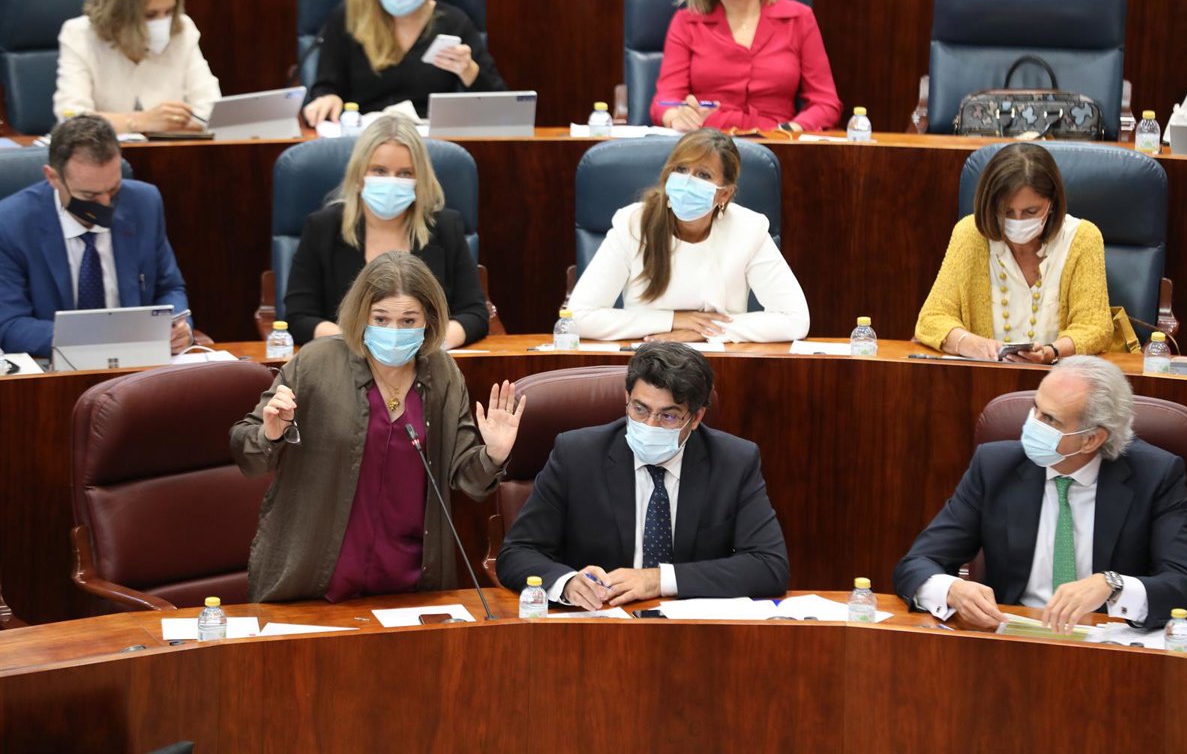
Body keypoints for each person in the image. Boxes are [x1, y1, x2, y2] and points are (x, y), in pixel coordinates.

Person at [231, 251, 524, 603]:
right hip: (313, 578)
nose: (394, 332)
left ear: (429, 321)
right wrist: (271, 434)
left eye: (408, 320)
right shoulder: (315, 363)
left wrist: (493, 454)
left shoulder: (442, 373)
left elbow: (468, 479)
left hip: (410, 580)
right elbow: (247, 455)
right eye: (381, 319)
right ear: (362, 316)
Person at [894, 356, 1187, 632]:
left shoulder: (1155, 475)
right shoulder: (995, 466)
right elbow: (918, 562)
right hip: (1013, 638)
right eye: (1035, 408)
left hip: (1109, 647)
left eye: (1049, 419)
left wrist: (1114, 586)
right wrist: (952, 590)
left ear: (1091, 439)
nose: (1032, 424)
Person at [497, 342, 789, 608]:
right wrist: (568, 582)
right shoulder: (576, 455)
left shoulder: (734, 461)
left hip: (691, 627)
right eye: (640, 409)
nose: (650, 425)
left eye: (668, 416)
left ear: (696, 417)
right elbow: (517, 552)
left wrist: (658, 580)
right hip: (600, 620)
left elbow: (770, 566)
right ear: (627, 398)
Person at [567, 128, 809, 342]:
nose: (687, 182)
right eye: (681, 169)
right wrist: (673, 321)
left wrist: (707, 332)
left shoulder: (748, 228)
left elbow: (795, 319)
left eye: (703, 175)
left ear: (724, 194)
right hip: (647, 357)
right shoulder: (633, 222)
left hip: (719, 361)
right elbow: (578, 316)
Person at [284, 114, 488, 347]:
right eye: (379, 171)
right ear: (359, 175)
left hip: (426, 360)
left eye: (405, 173)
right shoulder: (323, 228)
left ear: (419, 179)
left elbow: (474, 314)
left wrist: (423, 345)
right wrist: (360, 344)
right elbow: (299, 317)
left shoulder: (446, 226)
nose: (392, 181)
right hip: (346, 358)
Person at [0, 115, 192, 358]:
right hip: (56, 365)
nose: (105, 204)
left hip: (140, 363)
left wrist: (178, 327)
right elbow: (10, 325)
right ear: (53, 178)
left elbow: (169, 287)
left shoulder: (144, 203)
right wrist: (105, 338)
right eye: (90, 196)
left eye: (113, 190)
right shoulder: (11, 223)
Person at [915, 142, 1112, 363]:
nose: (1018, 221)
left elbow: (1096, 328)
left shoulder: (1083, 238)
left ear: (1052, 203)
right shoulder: (970, 234)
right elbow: (931, 319)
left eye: (1030, 211)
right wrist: (970, 343)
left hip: (1061, 378)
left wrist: (1051, 352)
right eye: (1007, 211)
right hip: (983, 375)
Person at [303, 0, 506, 126]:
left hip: (430, 140)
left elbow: (501, 107)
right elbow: (327, 86)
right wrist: (327, 98)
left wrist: (469, 71)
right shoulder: (350, 18)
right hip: (363, 136)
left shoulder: (453, 23)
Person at [650, 0, 841, 132]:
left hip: (777, 143)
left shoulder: (798, 18)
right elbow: (664, 100)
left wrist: (789, 131)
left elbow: (825, 103)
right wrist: (676, 117)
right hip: (709, 143)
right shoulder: (686, 22)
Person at [53, 0, 221, 133]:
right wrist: (140, 122)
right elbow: (71, 118)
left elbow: (212, 110)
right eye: (150, 15)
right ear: (117, 14)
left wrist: (174, 124)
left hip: (171, 147)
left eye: (169, 12)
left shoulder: (182, 29)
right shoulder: (79, 35)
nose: (163, 23)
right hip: (104, 149)